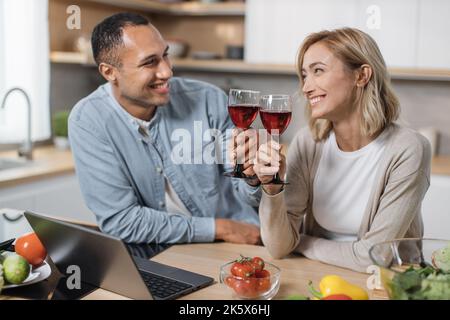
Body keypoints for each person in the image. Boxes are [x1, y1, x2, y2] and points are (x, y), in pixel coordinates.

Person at [68, 13, 262, 244]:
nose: (167, 71)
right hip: (159, 252)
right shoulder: (88, 120)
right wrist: (220, 228)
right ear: (110, 72)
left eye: (165, 55)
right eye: (150, 62)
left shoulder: (209, 100)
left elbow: (249, 193)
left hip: (237, 246)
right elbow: (121, 221)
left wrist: (253, 178)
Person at [252, 28, 431, 272]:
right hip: (319, 278)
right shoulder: (308, 143)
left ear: (361, 76)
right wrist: (272, 189)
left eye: (318, 71)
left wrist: (302, 242)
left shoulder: (408, 149)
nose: (306, 87)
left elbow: (374, 257)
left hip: (388, 286)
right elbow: (278, 248)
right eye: (304, 75)